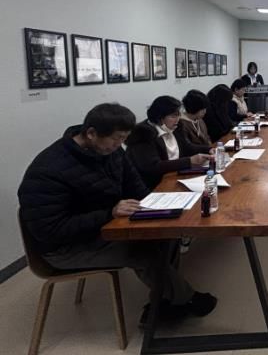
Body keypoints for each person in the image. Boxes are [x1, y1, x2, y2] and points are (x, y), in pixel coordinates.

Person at [18, 103, 217, 325]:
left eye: (124, 138)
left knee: (167, 236)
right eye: (117, 139)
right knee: (144, 252)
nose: (120, 145)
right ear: (91, 133)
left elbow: (135, 187)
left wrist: (158, 205)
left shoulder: (109, 150)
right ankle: (185, 299)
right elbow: (49, 230)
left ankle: (166, 301)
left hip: (106, 227)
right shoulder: (48, 170)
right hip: (65, 248)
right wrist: (109, 213)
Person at [126, 96, 212, 189]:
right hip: (155, 184)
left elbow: (187, 147)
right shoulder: (143, 133)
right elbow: (153, 167)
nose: (178, 119)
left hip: (175, 176)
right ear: (160, 117)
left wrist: (209, 149)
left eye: (178, 114)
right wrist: (189, 161)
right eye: (173, 116)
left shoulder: (176, 126)